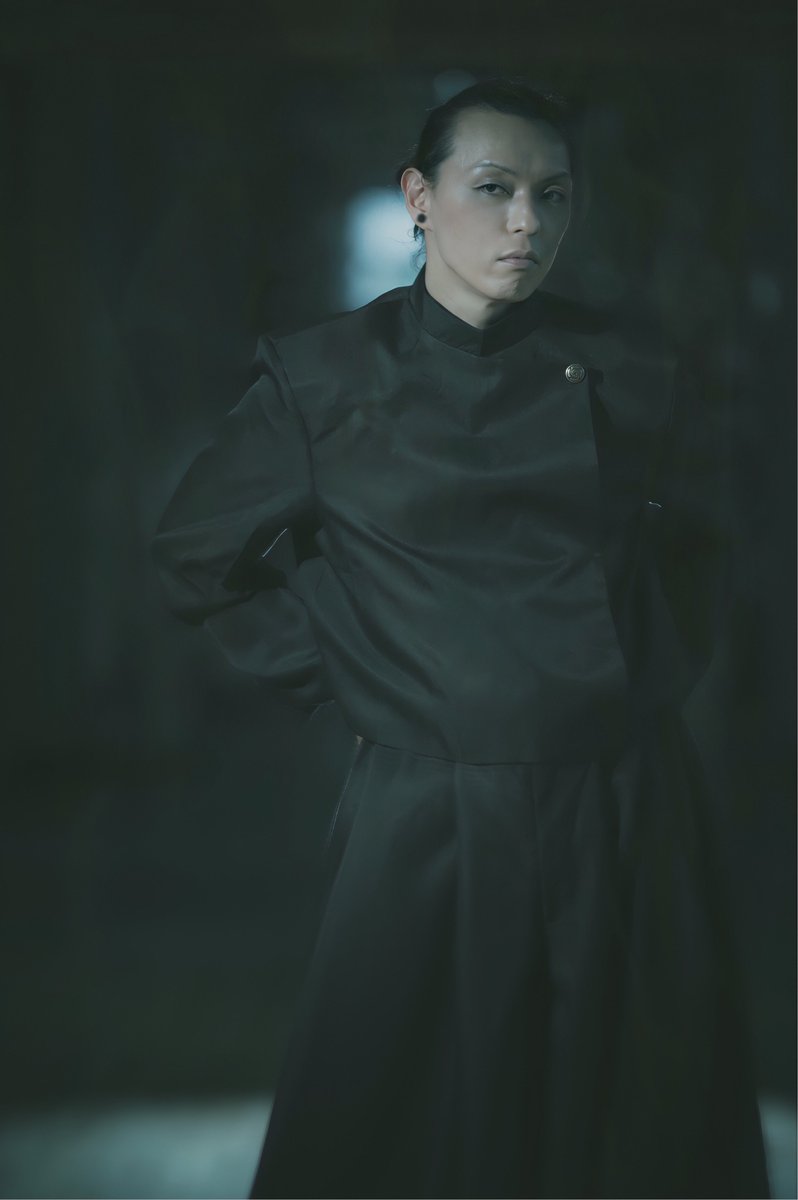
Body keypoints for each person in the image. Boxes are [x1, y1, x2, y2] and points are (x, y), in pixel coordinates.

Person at [151, 79, 770, 1199]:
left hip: (621, 790)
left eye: (553, 195)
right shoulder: (323, 376)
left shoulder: (630, 369)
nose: (527, 221)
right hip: (426, 800)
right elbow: (198, 554)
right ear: (419, 198)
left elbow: (708, 543)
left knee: (628, 1116)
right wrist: (357, 680)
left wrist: (639, 678)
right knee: (400, 1109)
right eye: (494, 188)